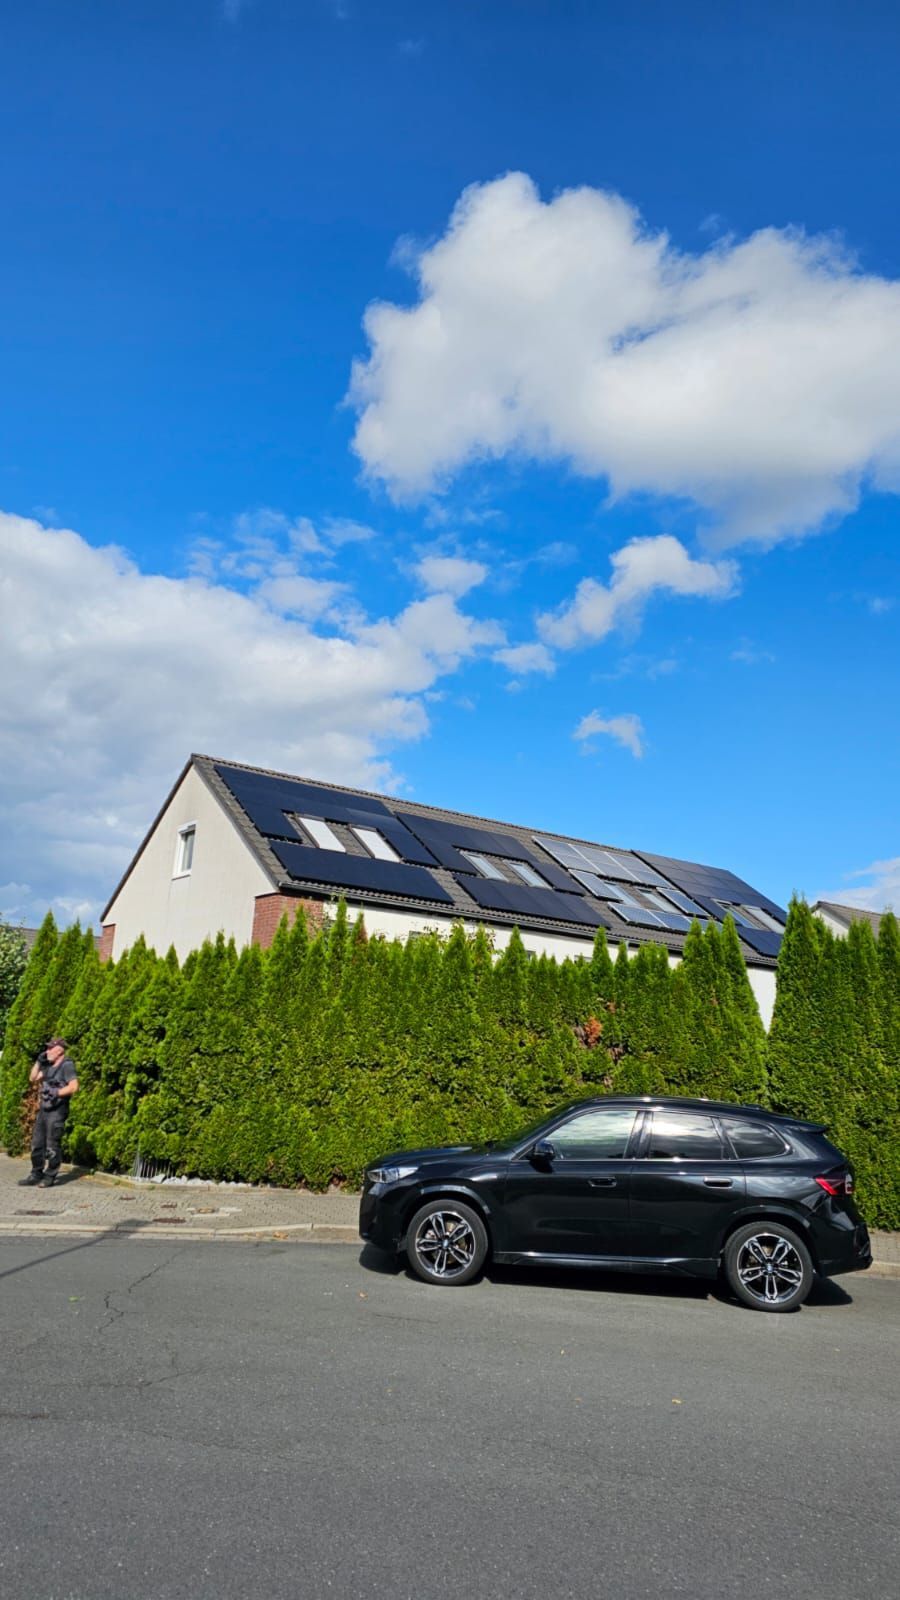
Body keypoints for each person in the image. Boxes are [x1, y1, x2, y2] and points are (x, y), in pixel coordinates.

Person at [18, 1037, 79, 1188]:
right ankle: (35, 1174)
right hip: (44, 1110)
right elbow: (33, 1078)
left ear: (59, 1050)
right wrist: (39, 1062)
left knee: (52, 1145)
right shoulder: (47, 1066)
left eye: (50, 1049)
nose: (47, 1051)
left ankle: (50, 1176)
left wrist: (56, 1092)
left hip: (57, 1111)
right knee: (37, 1144)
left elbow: (74, 1087)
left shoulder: (67, 1065)